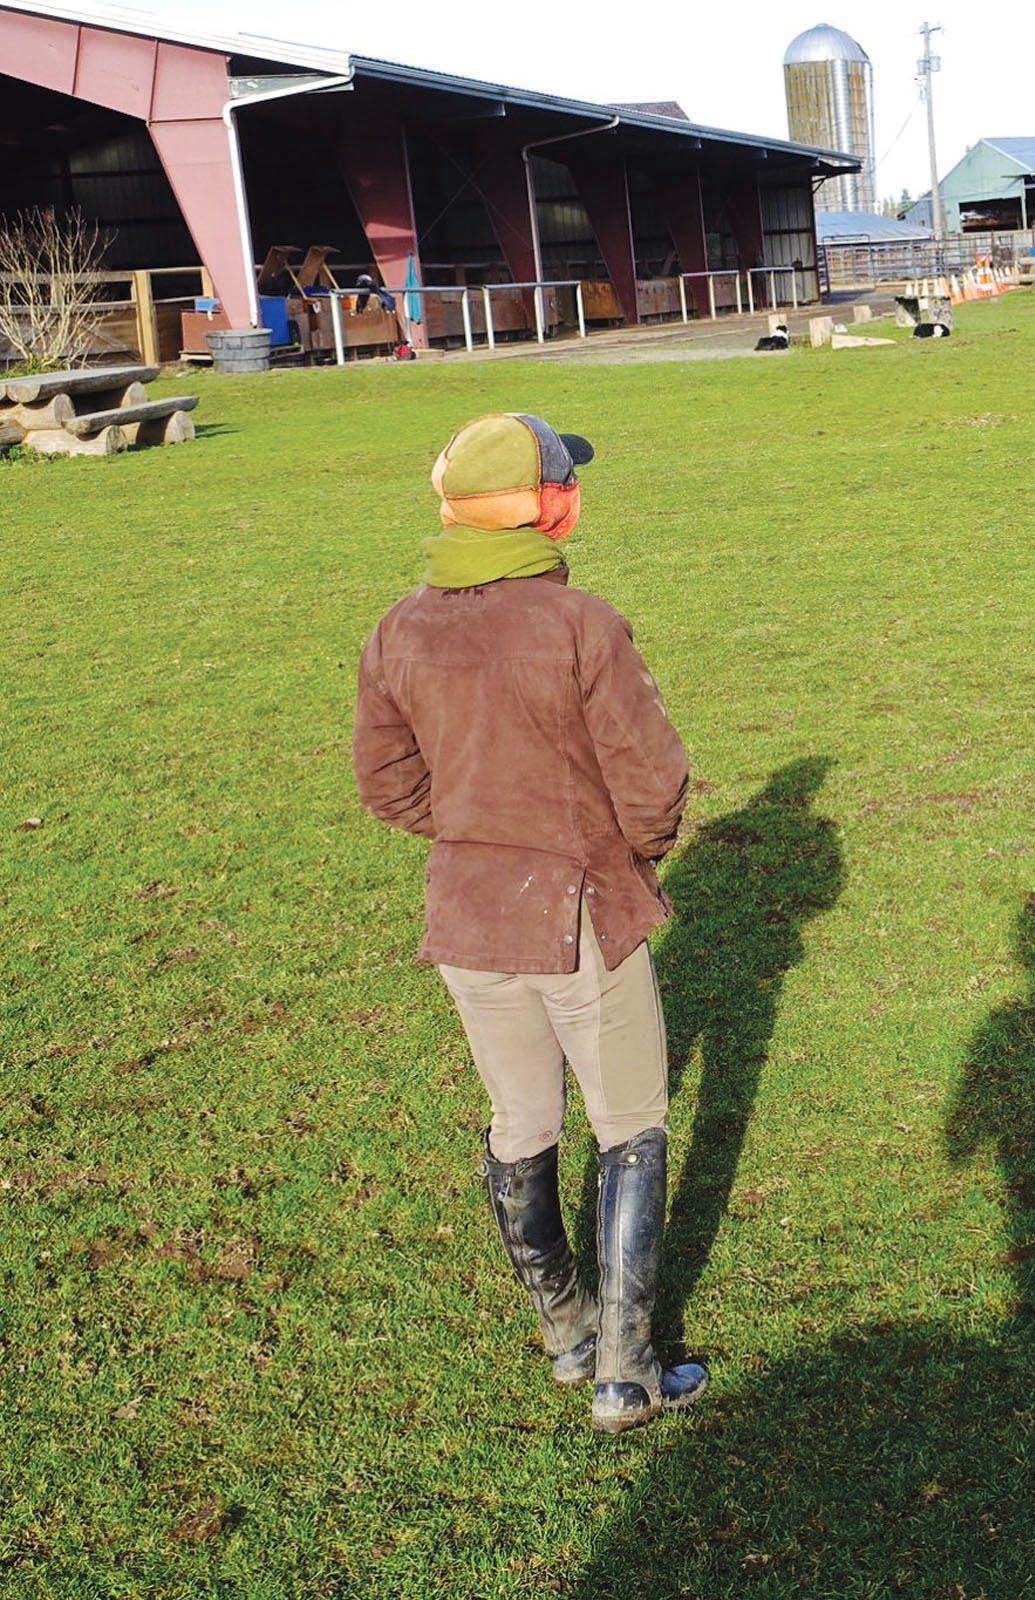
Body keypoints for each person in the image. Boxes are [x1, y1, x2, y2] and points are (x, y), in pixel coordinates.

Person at [351, 412, 706, 1434]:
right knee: (630, 1123)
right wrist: (626, 852)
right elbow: (654, 780)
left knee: (522, 1123)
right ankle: (626, 1371)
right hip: (582, 910)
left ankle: (566, 1332)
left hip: (467, 916)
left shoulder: (396, 628)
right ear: (551, 506)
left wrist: (470, 833)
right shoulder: (581, 622)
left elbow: (385, 783)